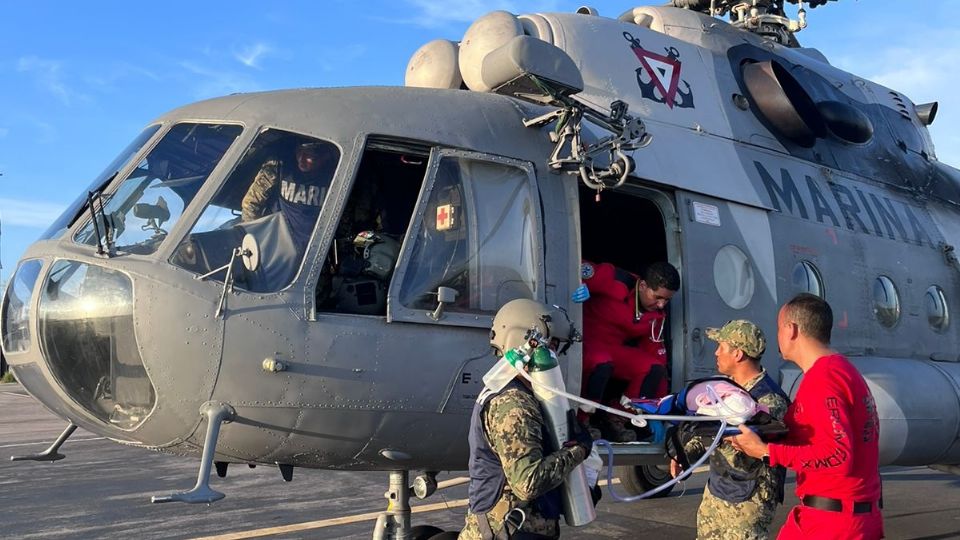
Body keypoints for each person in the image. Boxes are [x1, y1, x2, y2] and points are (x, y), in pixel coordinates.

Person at [729, 294, 883, 539]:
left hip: (832, 524)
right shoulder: (842, 371)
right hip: (839, 516)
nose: (777, 336)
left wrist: (767, 452)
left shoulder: (823, 380)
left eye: (778, 328)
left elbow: (838, 456)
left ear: (790, 330)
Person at [460, 299, 592, 540]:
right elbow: (527, 483)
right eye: (551, 346)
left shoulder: (518, 393)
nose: (554, 356)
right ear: (526, 344)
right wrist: (579, 450)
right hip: (509, 531)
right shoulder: (514, 405)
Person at [672, 320, 790, 540]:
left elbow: (756, 447)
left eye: (722, 347)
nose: (716, 352)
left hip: (747, 500)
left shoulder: (768, 400)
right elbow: (706, 429)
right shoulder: (723, 389)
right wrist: (685, 453)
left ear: (737, 354)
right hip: (718, 491)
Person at [578, 260, 680, 441]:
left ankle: (616, 417)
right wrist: (577, 284)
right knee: (601, 363)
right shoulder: (615, 280)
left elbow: (657, 358)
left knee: (653, 368)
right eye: (657, 297)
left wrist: (658, 412)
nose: (662, 304)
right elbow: (574, 265)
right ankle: (581, 421)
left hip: (612, 350)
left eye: (667, 300)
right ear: (642, 286)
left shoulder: (656, 317)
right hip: (583, 340)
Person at [241, 140, 338, 254]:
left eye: (309, 156)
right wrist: (255, 240)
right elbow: (251, 203)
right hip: (278, 245)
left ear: (324, 157)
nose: (301, 160)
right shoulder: (279, 166)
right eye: (299, 152)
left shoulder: (337, 173)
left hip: (318, 248)